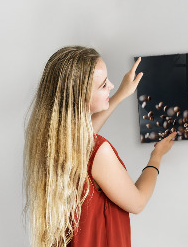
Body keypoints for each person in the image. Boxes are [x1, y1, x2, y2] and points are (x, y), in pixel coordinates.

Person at [23, 46, 177, 247]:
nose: (112, 85)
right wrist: (156, 157)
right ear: (81, 98)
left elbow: (84, 138)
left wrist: (121, 94)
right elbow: (137, 202)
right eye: (104, 85)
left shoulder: (52, 141)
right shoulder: (98, 151)